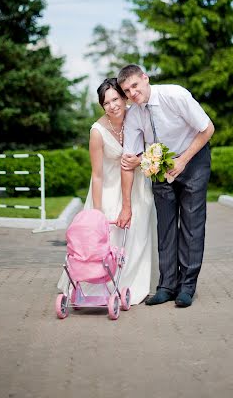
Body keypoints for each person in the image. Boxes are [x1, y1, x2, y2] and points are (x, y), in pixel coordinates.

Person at [118, 64, 214, 308]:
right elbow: (131, 155)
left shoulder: (175, 95)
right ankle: (167, 286)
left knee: (192, 224)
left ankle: (187, 287)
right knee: (166, 226)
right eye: (127, 90)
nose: (132, 93)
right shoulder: (134, 115)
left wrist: (183, 160)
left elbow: (207, 129)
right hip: (159, 167)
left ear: (145, 79)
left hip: (193, 160)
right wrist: (135, 159)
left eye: (135, 86)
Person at [58, 78, 156, 305]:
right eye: (106, 103)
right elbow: (97, 174)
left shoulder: (137, 114)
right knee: (110, 235)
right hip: (109, 188)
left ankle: (133, 283)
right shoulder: (97, 131)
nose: (112, 106)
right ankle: (102, 283)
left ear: (123, 97)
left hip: (138, 185)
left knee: (139, 231)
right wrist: (98, 211)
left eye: (115, 99)